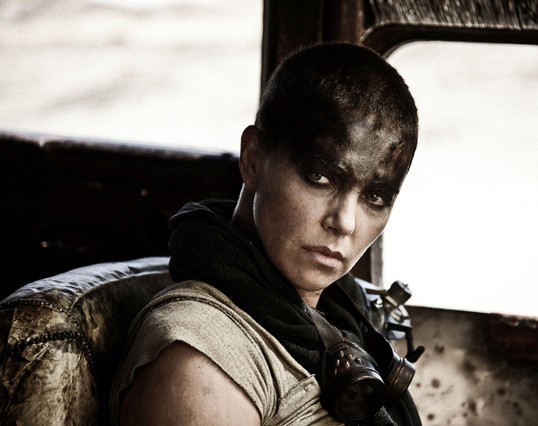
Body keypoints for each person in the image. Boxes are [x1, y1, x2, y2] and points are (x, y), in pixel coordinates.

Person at [110, 42, 421, 425]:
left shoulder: (345, 318)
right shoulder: (197, 365)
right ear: (253, 159)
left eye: (374, 198)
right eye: (320, 177)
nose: (345, 222)